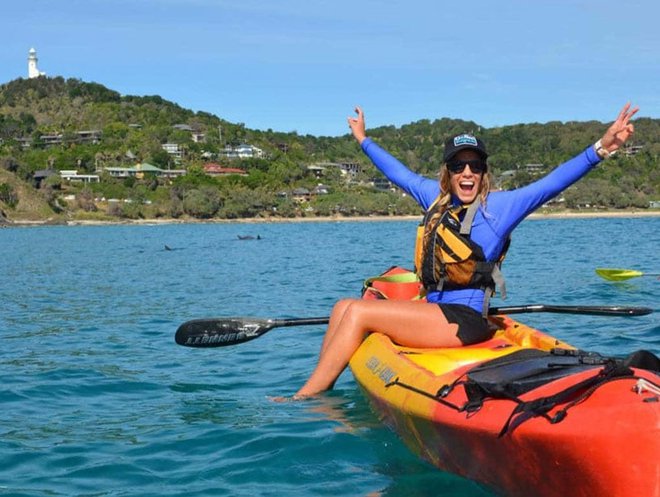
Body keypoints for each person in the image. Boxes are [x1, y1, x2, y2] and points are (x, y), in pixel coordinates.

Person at [289, 103, 638, 400]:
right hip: (434, 311)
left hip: (464, 321)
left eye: (475, 165)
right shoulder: (436, 199)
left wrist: (602, 148)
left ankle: (307, 399)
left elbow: (552, 182)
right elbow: (398, 173)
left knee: (359, 313)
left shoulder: (500, 208)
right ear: (448, 172)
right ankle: (323, 386)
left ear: (483, 172)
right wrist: (363, 140)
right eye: (458, 166)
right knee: (342, 306)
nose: (467, 172)